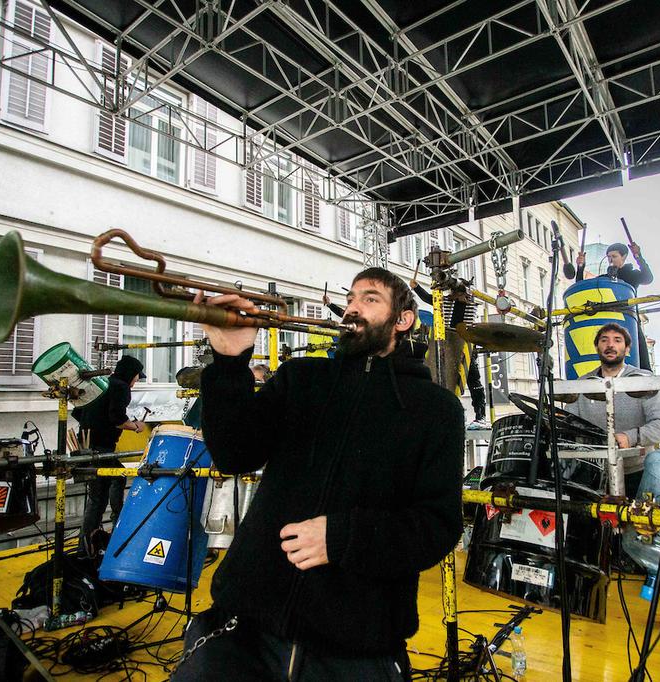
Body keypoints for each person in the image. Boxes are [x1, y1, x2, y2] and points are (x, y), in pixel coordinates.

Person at [172, 267, 465, 681]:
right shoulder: (302, 379)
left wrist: (343, 538)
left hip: (357, 648)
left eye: (370, 298)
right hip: (243, 631)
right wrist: (229, 360)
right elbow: (234, 454)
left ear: (403, 320)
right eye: (350, 298)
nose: (352, 308)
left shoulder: (436, 410)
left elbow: (438, 525)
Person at [563, 323, 660, 643]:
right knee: (585, 535)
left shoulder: (643, 381)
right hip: (597, 474)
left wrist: (631, 437)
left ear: (627, 348)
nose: (611, 345)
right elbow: (572, 424)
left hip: (637, 470)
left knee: (656, 541)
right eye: (605, 340)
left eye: (618, 340)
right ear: (597, 347)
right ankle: (582, 601)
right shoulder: (583, 384)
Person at [74, 355, 146, 553]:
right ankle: (113, 527)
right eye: (137, 378)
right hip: (101, 448)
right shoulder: (121, 387)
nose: (136, 382)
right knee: (108, 487)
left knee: (99, 494)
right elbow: (117, 418)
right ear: (131, 374)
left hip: (85, 445)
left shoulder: (105, 383)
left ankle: (88, 543)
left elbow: (79, 412)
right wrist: (136, 426)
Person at [408, 278, 487, 428]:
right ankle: (456, 413)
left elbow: (465, 293)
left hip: (465, 344)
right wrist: (417, 287)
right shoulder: (446, 301)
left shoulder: (471, 300)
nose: (451, 293)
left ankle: (480, 415)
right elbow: (429, 298)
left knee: (472, 380)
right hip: (448, 345)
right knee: (447, 381)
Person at [574, 242, 654, 370]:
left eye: (614, 256)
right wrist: (580, 267)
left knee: (640, 360)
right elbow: (581, 286)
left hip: (628, 321)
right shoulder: (604, 278)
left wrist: (638, 256)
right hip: (609, 322)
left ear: (624, 257)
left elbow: (648, 278)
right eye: (608, 257)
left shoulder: (631, 274)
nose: (611, 260)